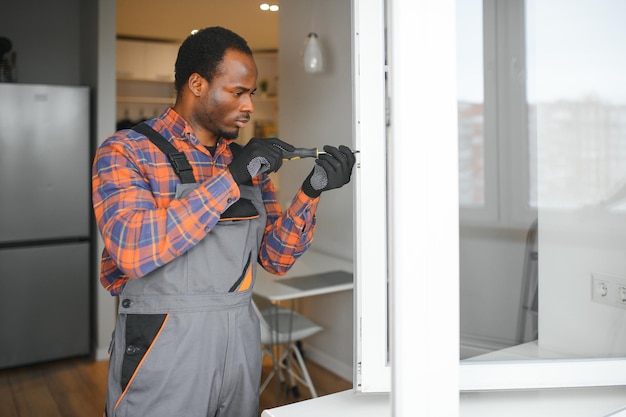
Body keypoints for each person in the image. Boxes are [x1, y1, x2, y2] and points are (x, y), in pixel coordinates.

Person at [92, 26, 356, 417]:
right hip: (163, 349)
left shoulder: (247, 164)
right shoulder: (127, 151)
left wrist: (311, 191)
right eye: (238, 92)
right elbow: (133, 250)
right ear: (197, 84)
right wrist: (232, 179)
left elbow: (274, 259)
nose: (249, 105)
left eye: (250, 93)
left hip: (240, 342)